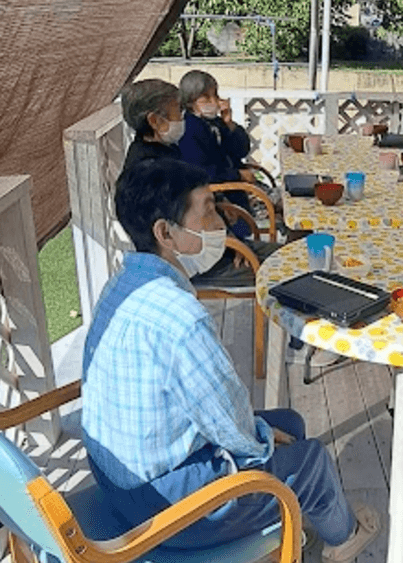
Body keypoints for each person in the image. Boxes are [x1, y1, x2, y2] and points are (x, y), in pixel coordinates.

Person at [82, 158, 380, 559]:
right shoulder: (180, 318)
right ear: (165, 232)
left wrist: (259, 433)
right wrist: (259, 439)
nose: (219, 221)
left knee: (289, 423)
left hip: (117, 478)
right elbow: (226, 417)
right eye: (207, 211)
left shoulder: (120, 285)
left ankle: (290, 518)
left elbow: (219, 412)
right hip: (166, 510)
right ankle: (342, 539)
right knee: (311, 460)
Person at [119, 78, 279, 288]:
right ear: (155, 121)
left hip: (216, 246)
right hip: (196, 261)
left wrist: (220, 204)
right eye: (178, 111)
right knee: (284, 272)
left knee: (287, 257)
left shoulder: (165, 150)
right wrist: (231, 243)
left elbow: (196, 196)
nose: (183, 117)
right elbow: (186, 228)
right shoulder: (151, 171)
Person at [178, 70, 256, 220]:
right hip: (218, 200)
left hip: (237, 190)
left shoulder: (214, 122)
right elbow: (201, 171)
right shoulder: (189, 129)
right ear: (190, 101)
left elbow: (241, 150)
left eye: (216, 95)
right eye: (206, 97)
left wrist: (229, 123)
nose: (214, 101)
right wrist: (238, 175)